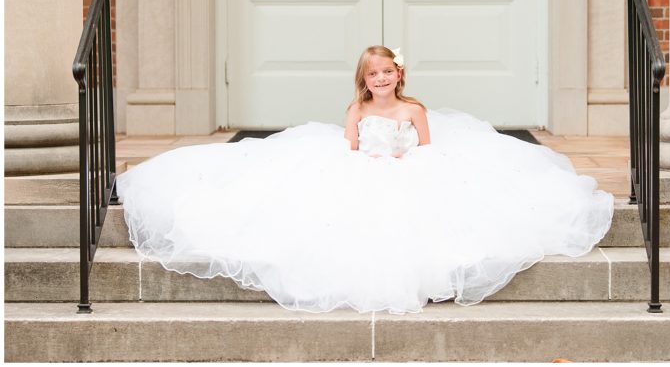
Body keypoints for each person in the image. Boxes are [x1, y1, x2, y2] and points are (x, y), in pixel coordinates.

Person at [118, 45, 614, 314]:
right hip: (366, 165)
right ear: (363, 80)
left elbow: (425, 146)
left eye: (387, 74)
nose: (381, 80)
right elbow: (350, 145)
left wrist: (403, 160)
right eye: (372, 75)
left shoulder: (414, 109)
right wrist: (367, 159)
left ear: (399, 75)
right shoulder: (354, 109)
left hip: (406, 165)